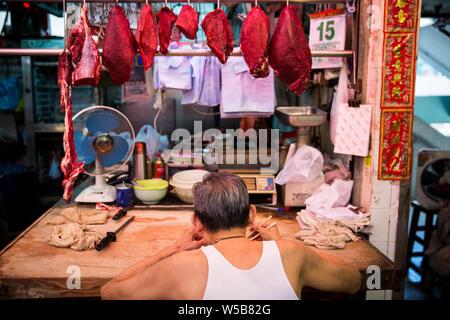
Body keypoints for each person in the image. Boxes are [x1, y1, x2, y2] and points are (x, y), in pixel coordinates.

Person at [101, 172, 361, 300]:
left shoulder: (180, 266)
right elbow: (354, 281)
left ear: (197, 224)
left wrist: (172, 249)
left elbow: (109, 293)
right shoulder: (291, 254)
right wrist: (280, 243)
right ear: (251, 215)